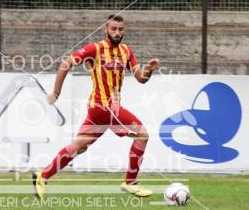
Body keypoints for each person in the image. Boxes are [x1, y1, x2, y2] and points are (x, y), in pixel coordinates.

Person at [33, 14, 159, 199]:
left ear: (124, 30)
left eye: (121, 29)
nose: (117, 33)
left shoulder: (126, 51)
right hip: (104, 107)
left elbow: (141, 78)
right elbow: (66, 64)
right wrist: (56, 93)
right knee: (142, 135)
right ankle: (131, 182)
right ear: (105, 29)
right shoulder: (96, 49)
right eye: (113, 29)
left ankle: (42, 176)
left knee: (80, 146)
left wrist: (148, 69)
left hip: (101, 110)